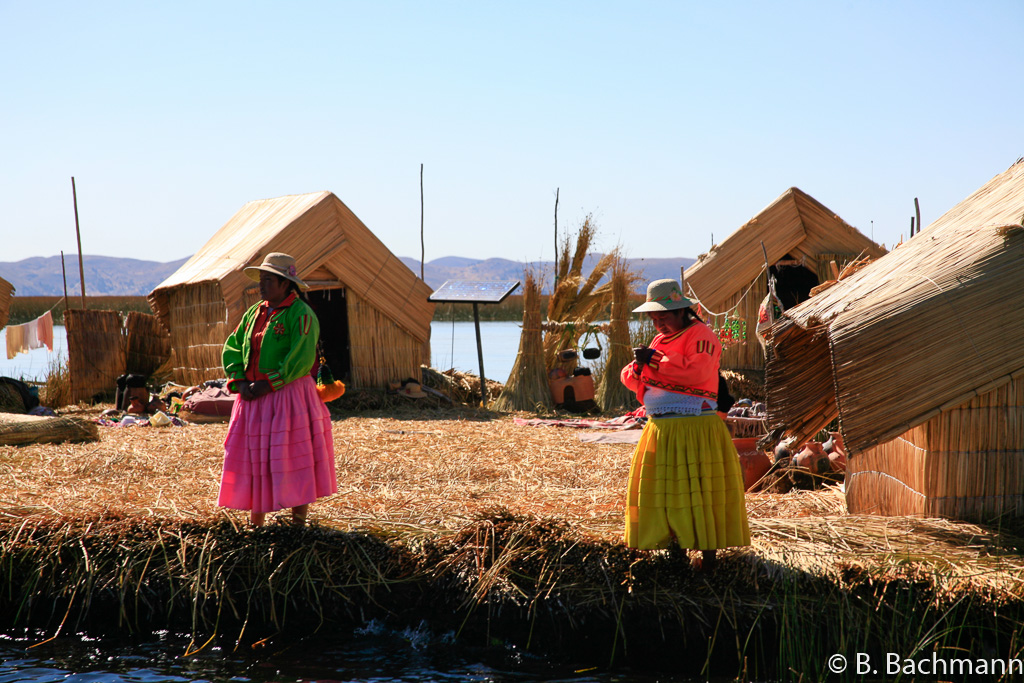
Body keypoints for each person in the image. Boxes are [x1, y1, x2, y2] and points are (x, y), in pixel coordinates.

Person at [620, 279, 750, 569]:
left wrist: (654, 360)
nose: (658, 325)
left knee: (700, 491)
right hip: (663, 429)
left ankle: (708, 557)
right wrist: (641, 364)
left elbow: (697, 372)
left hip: (695, 429)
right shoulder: (659, 341)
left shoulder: (701, 335)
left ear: (682, 311)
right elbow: (631, 378)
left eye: (663, 317)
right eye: (654, 319)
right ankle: (672, 549)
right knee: (666, 492)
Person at [218, 252, 337, 526]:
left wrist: (269, 383)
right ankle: (256, 522)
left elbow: (301, 356)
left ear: (285, 283)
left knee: (291, 456)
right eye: (261, 280)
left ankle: (298, 523)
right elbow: (234, 344)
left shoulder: (301, 314)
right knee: (254, 457)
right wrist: (240, 381)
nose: (262, 286)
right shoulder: (254, 312)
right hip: (252, 396)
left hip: (288, 396)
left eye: (268, 280)